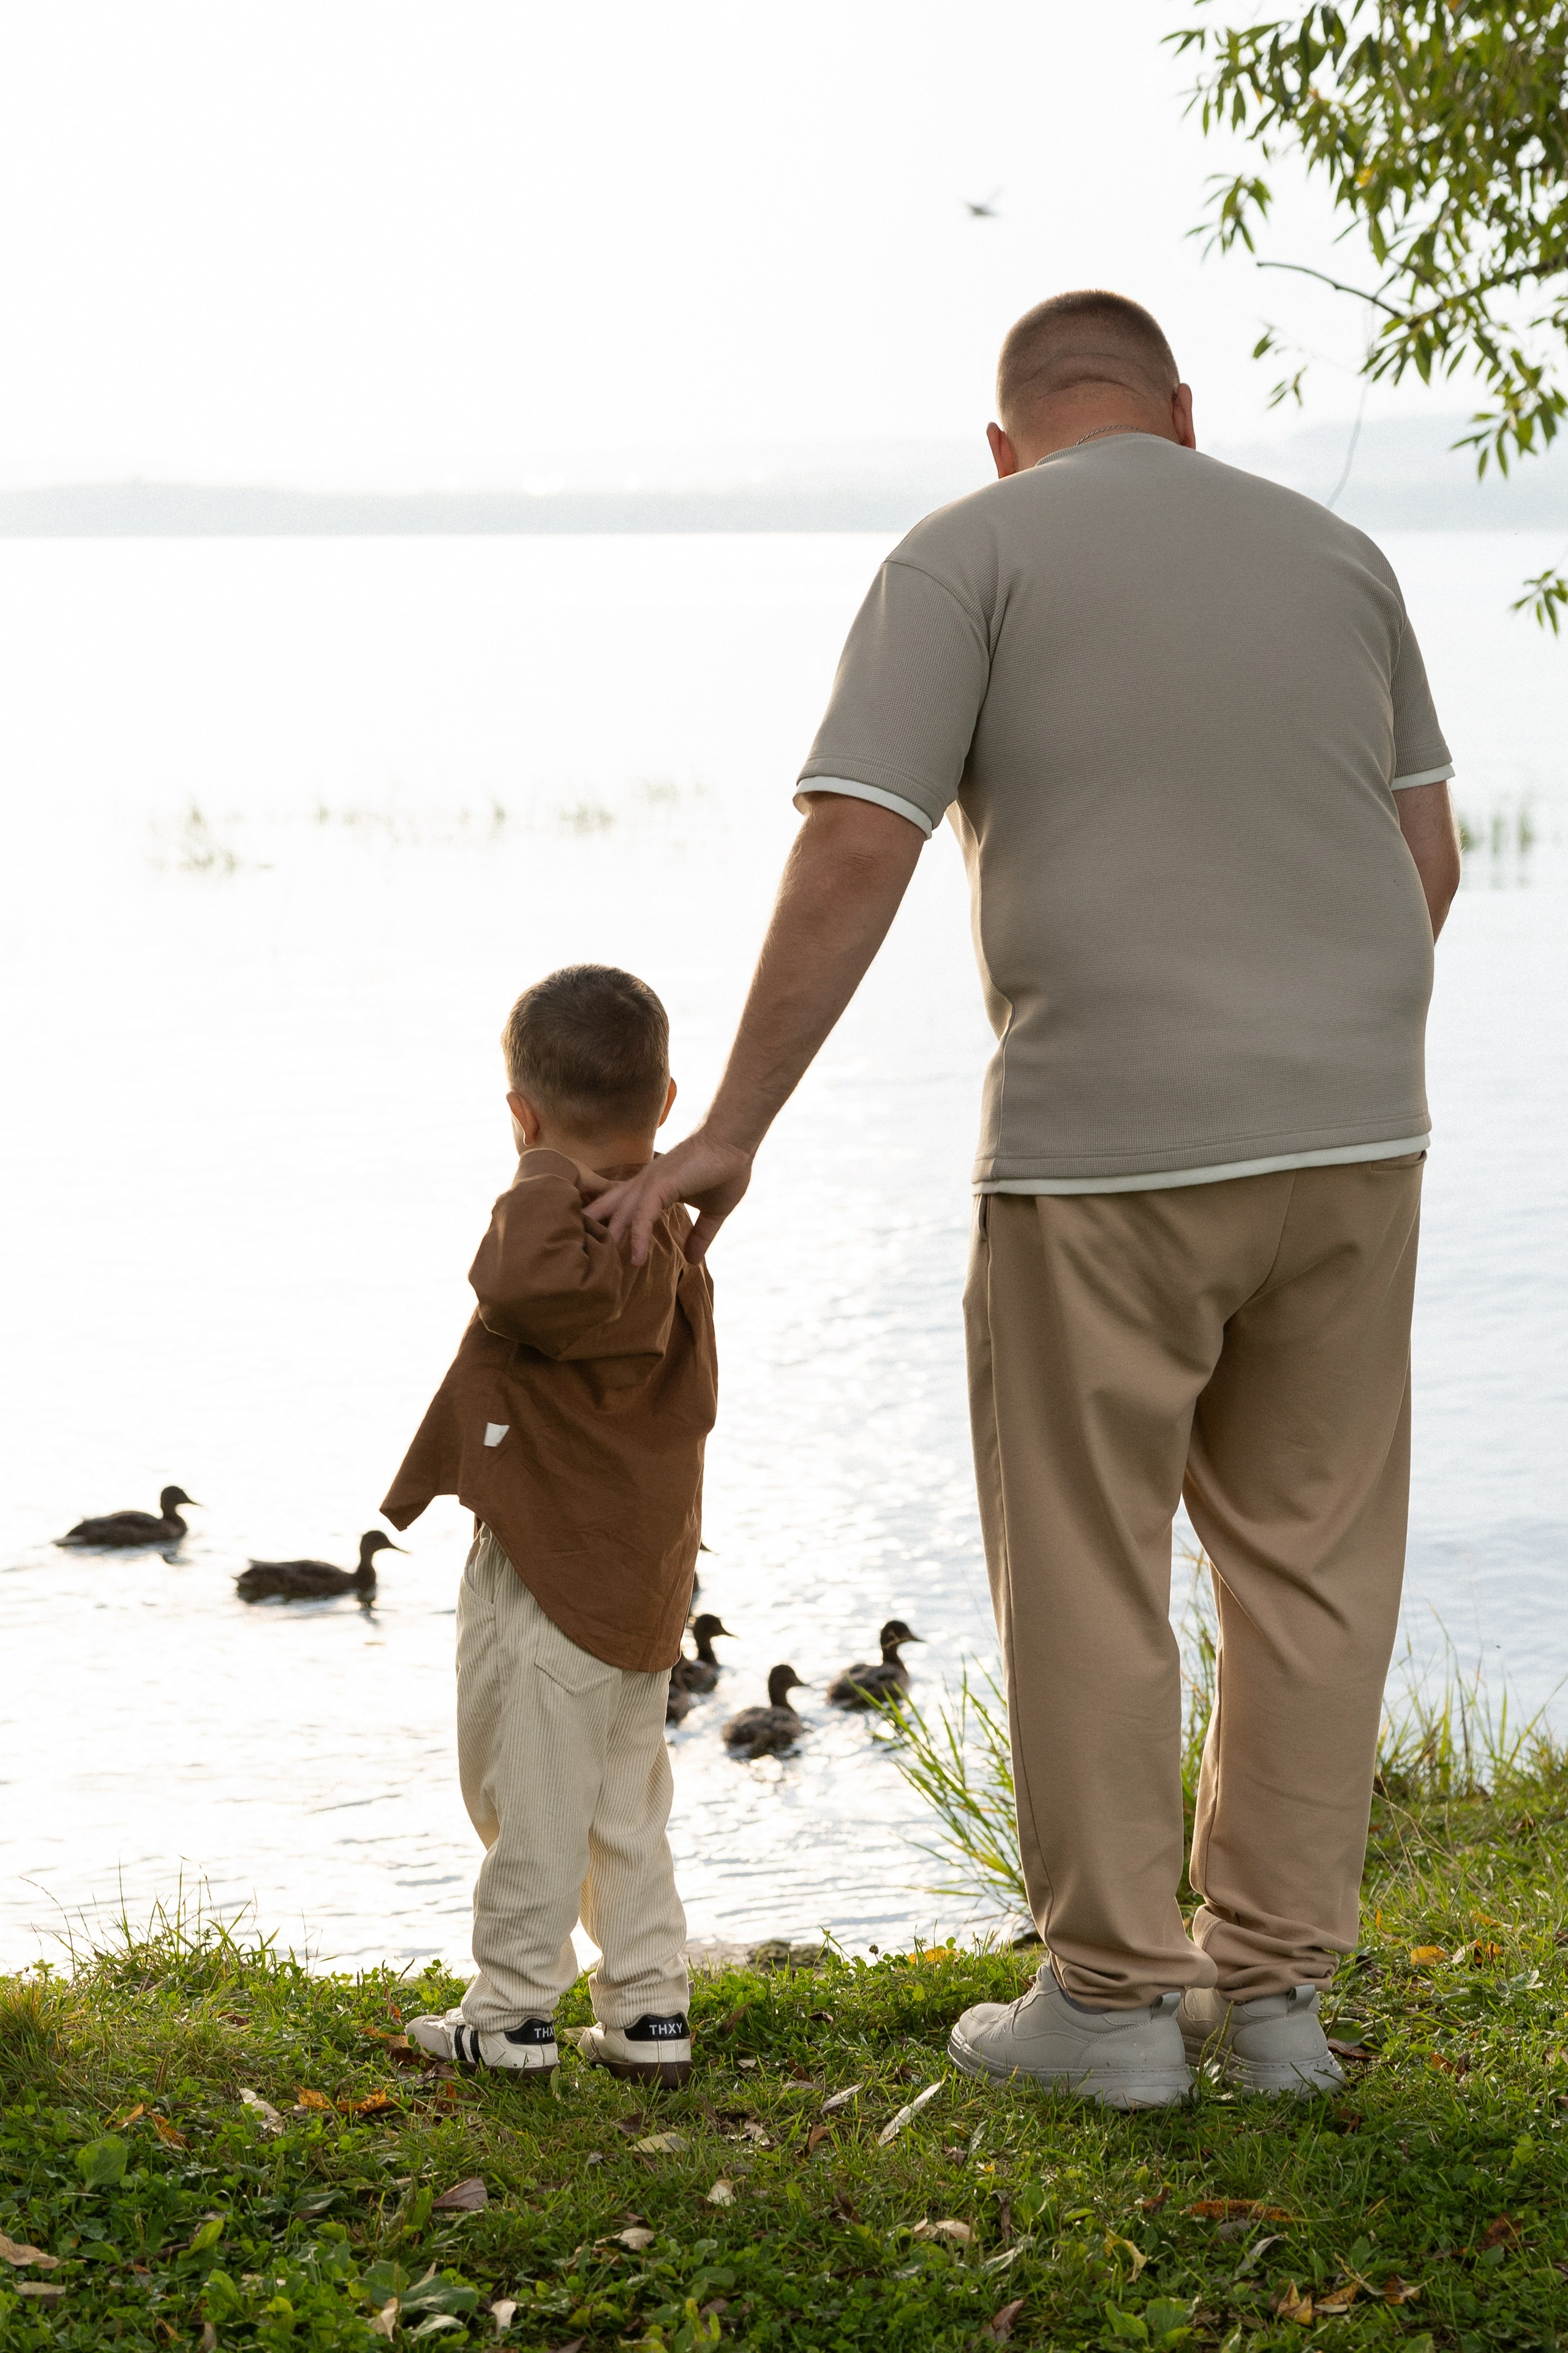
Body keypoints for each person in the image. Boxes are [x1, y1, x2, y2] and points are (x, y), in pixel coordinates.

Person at [591, 291, 1461, 2109]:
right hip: (1358, 1137)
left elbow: (856, 835)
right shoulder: (1341, 555)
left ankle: (1114, 2006)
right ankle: (1279, 2000)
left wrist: (733, 1125)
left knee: (1087, 1564)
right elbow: (1424, 857)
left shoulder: (967, 550)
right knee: (1311, 1561)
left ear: (1006, 439)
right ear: (1183, 415)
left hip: (1106, 1149)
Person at [383, 964, 717, 2083]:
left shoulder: (563, 1229)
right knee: (623, 1802)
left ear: (522, 1112)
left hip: (553, 1568)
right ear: (666, 1099)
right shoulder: (666, 1226)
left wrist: (538, 1168)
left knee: (521, 1790)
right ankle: (649, 2006)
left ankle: (516, 2013)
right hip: (637, 1570)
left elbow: (517, 1285)